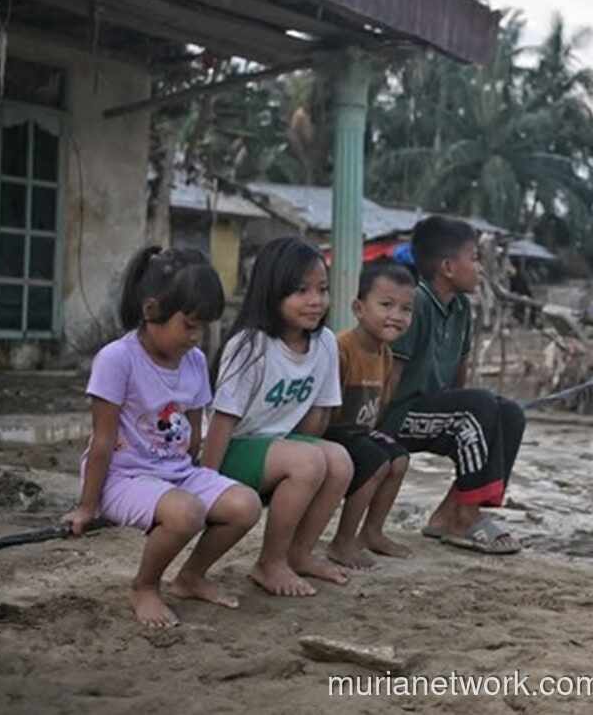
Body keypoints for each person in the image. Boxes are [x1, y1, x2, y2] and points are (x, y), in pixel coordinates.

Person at [63, 247, 262, 629]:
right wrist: (87, 507)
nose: (196, 337)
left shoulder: (195, 361)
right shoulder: (117, 359)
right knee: (186, 512)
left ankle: (190, 577)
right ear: (152, 310)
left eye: (203, 327)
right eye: (188, 325)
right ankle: (145, 586)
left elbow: (194, 428)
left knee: (245, 504)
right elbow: (102, 442)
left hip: (176, 473)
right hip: (124, 478)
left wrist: (205, 481)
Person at [204, 237, 352, 597]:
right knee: (308, 462)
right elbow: (222, 421)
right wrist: (203, 482)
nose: (315, 301)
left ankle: (299, 554)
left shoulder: (325, 343)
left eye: (322, 289)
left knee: (339, 460)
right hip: (231, 448)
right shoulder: (250, 345)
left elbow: (318, 415)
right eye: (301, 291)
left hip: (275, 447)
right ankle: (269, 563)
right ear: (272, 291)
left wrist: (307, 451)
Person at [381, 216, 525, 555]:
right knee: (479, 406)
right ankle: (465, 518)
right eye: (473, 258)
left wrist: (472, 406)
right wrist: (375, 429)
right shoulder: (415, 304)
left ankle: (450, 513)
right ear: (448, 266)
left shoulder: (460, 307)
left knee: (509, 413)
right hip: (398, 413)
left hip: (434, 409)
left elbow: (460, 371)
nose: (479, 268)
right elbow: (392, 372)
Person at [323, 262, 417, 568]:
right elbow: (324, 408)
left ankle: (372, 532)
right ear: (359, 308)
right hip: (333, 431)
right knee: (374, 460)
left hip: (359, 432)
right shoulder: (341, 349)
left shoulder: (386, 354)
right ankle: (342, 542)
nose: (396, 316)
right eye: (386, 305)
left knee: (399, 458)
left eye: (405, 309)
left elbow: (381, 405)